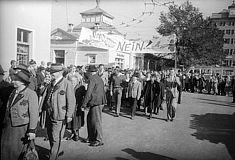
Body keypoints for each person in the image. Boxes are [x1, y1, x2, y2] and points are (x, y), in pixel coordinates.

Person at [1, 68, 39, 160]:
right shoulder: (13, 91)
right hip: (8, 126)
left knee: (16, 152)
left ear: (22, 82)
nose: (12, 81)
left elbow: (34, 114)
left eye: (15, 80)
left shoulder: (31, 94)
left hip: (21, 128)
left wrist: (32, 130)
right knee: (5, 150)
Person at [43, 63, 76, 160]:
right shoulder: (51, 82)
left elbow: (72, 101)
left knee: (56, 137)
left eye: (53, 72)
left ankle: (53, 156)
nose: (51, 74)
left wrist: (69, 115)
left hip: (60, 115)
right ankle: (55, 151)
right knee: (50, 135)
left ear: (59, 72)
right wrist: (44, 85)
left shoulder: (67, 83)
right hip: (49, 114)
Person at [81, 65, 106, 147]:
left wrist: (84, 104)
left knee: (96, 121)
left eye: (88, 72)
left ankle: (99, 140)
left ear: (90, 72)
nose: (87, 73)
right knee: (90, 120)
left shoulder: (92, 79)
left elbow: (88, 92)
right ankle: (91, 137)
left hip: (96, 102)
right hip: (98, 101)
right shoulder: (98, 78)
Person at [67, 75, 85, 141]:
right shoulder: (68, 87)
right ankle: (73, 133)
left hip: (78, 106)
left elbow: (85, 97)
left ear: (77, 81)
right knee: (71, 121)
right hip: (70, 106)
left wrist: (83, 105)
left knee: (77, 121)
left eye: (74, 81)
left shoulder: (81, 87)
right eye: (71, 81)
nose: (73, 82)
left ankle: (76, 134)